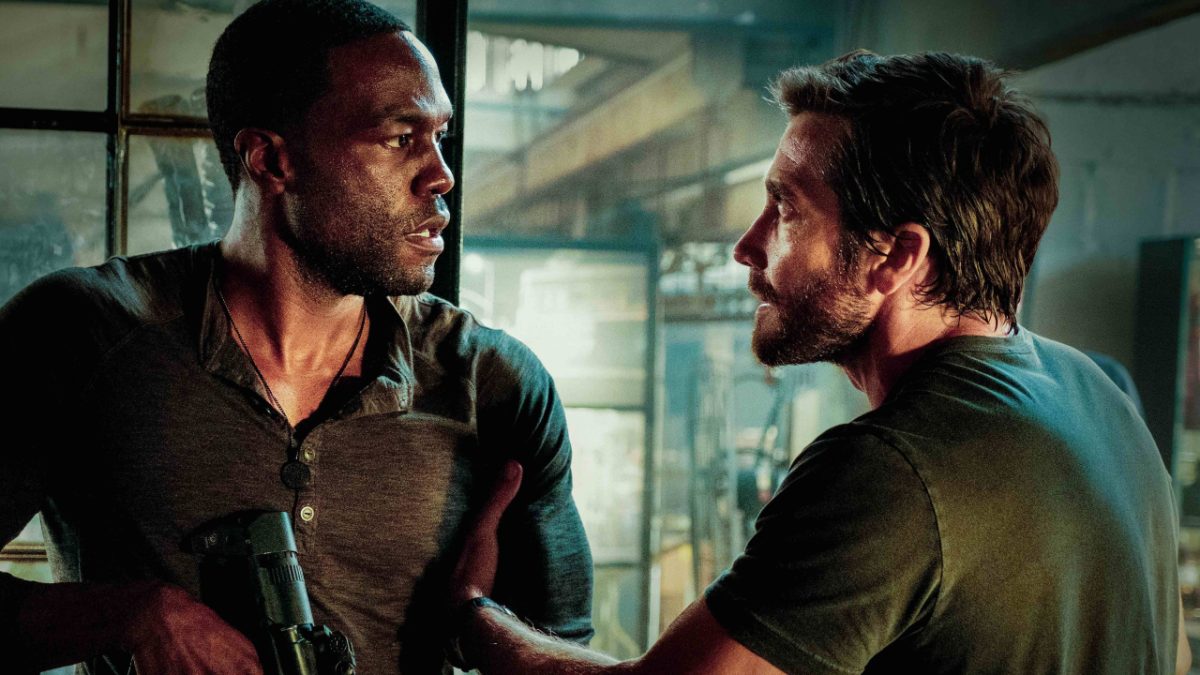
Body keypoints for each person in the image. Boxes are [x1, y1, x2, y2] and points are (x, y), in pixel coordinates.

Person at [445, 51, 1191, 674]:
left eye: (788, 210)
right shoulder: (1100, 394)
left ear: (895, 256)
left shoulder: (891, 467)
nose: (748, 245)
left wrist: (474, 616)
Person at [0, 0, 593, 672]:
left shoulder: (496, 385)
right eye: (400, 138)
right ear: (271, 160)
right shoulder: (81, 335)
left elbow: (565, 651)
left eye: (439, 137)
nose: (441, 175)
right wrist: (127, 616)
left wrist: (477, 620)